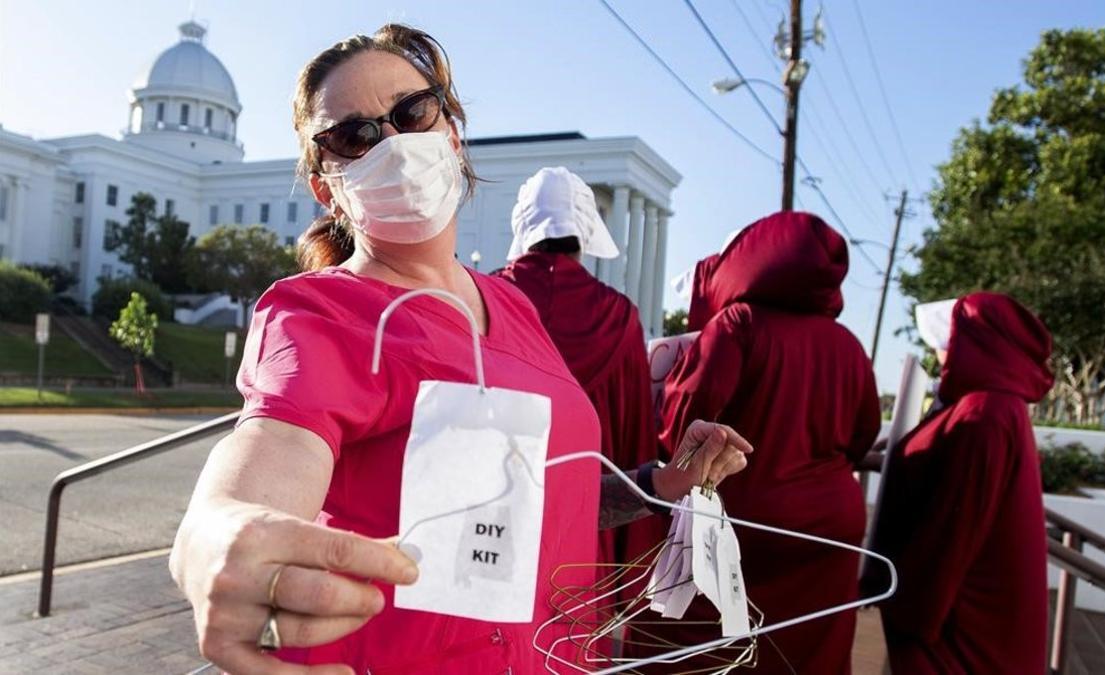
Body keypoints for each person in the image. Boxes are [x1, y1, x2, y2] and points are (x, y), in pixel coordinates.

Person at [168, 24, 751, 675]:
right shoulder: (316, 312)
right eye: (353, 136)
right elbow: (272, 449)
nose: (391, 142)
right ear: (326, 186)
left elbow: (545, 494)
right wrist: (214, 531)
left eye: (411, 112)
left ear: (450, 131)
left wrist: (665, 482)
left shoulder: (515, 307)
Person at [652, 211, 881, 673]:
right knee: (809, 654)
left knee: (704, 650)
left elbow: (684, 424)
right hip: (829, 530)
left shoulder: (739, 323)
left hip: (747, 521)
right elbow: (863, 434)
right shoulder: (848, 344)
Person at [870, 292, 1054, 674]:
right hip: (976, 615)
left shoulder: (983, 413)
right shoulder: (993, 404)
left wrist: (910, 610)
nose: (943, 353)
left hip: (963, 626)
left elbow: (953, 528)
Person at [496, 167, 661, 568]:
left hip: (492, 524)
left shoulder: (487, 299)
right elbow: (633, 443)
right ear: (585, 233)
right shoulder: (619, 317)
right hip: (587, 523)